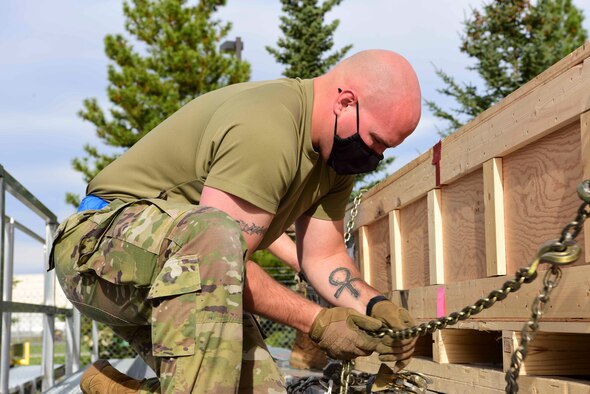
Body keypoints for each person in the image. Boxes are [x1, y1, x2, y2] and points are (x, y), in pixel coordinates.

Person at [50, 49, 422, 394]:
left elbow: (323, 257)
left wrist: (375, 306)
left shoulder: (334, 159)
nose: (375, 157)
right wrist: (318, 322)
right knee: (216, 233)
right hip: (97, 252)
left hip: (184, 278)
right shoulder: (269, 127)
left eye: (385, 148)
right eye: (375, 141)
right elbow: (221, 257)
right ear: (345, 102)